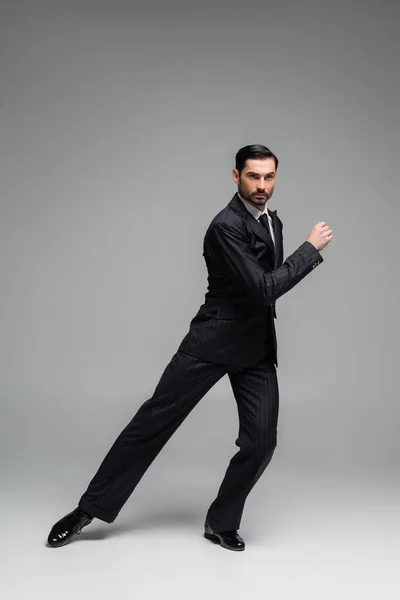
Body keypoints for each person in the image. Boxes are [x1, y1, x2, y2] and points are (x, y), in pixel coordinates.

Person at [47, 144, 332, 552]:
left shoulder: (273, 221)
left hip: (254, 348)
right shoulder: (225, 226)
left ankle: (221, 522)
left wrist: (297, 255)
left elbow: (266, 288)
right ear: (236, 177)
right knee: (150, 426)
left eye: (269, 177)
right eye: (253, 176)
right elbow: (266, 287)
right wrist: (311, 250)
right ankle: (86, 511)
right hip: (212, 341)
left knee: (261, 442)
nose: (262, 186)